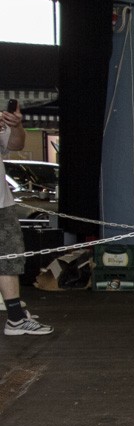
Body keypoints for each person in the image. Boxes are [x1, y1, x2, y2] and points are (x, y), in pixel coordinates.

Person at [0, 101, 52, 336]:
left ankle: (15, 318)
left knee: (9, 258)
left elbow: (16, 144)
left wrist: (17, 125)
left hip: (3, 203)